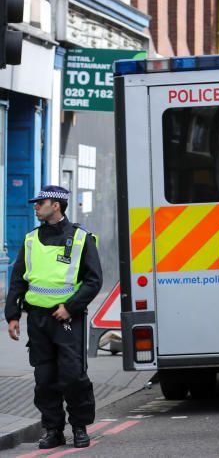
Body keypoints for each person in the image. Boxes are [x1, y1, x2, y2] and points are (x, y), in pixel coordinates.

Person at [4, 186, 102, 450]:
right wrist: (12, 315)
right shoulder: (30, 239)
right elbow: (17, 280)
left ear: (56, 205)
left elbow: (94, 281)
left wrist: (70, 307)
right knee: (44, 379)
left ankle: (79, 427)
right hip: (37, 319)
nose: (35, 207)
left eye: (41, 202)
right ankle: (53, 430)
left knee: (72, 376)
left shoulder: (81, 239)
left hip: (68, 319)